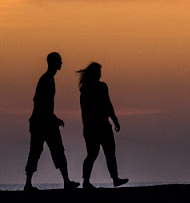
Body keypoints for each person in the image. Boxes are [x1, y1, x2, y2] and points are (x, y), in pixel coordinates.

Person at [24, 52, 79, 192]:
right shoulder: (46, 79)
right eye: (59, 60)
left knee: (56, 151)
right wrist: (52, 118)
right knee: (38, 152)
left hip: (45, 121)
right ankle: (28, 184)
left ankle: (66, 181)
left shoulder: (49, 79)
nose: (61, 62)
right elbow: (39, 102)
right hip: (42, 123)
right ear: (53, 62)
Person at [77, 62, 129, 188]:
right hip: (93, 127)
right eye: (98, 72)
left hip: (103, 125)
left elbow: (108, 104)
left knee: (109, 153)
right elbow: (86, 110)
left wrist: (114, 120)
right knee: (93, 154)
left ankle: (115, 178)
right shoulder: (86, 89)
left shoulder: (101, 87)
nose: (100, 75)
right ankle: (86, 181)